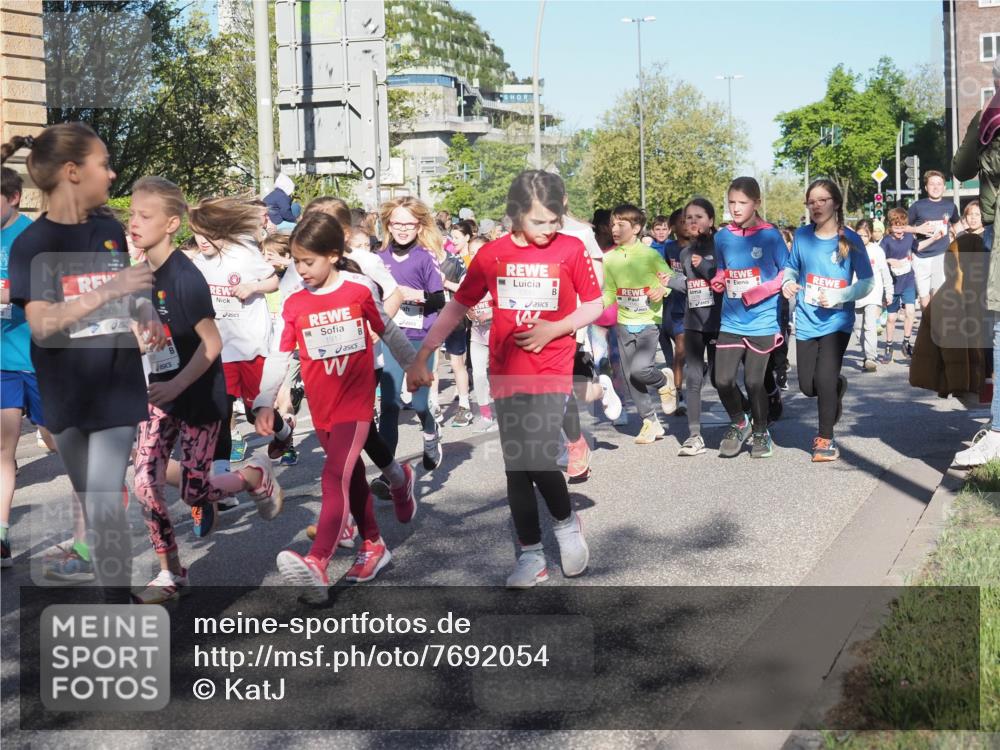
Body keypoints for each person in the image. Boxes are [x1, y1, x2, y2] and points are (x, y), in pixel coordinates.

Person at [408, 170, 602, 588]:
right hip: (506, 367)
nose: (548, 231)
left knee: (536, 458)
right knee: (517, 467)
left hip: (552, 364)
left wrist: (554, 328)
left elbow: (595, 304)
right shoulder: (493, 254)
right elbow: (458, 306)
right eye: (538, 223)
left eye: (555, 222)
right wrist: (424, 353)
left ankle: (566, 527)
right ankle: (532, 555)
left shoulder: (569, 250)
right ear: (515, 215)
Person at [5, 124, 165, 602]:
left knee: (103, 499)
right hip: (65, 389)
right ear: (73, 172)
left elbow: (126, 290)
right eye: (103, 164)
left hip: (116, 383)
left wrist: (144, 311)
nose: (112, 174)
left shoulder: (108, 229)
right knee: (95, 506)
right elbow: (42, 325)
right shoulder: (33, 244)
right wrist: (109, 292)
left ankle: (116, 612)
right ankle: (116, 597)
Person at [128, 177, 283, 603]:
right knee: (144, 482)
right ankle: (171, 573)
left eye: (145, 215)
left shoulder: (185, 277)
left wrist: (176, 382)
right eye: (132, 214)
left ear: (171, 224)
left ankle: (253, 475)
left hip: (198, 397)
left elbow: (211, 346)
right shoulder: (140, 274)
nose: (135, 222)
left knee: (197, 490)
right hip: (159, 394)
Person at [256, 211, 417, 602]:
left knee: (333, 477)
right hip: (322, 406)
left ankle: (317, 560)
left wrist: (414, 365)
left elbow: (387, 329)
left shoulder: (359, 289)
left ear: (332, 255)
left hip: (356, 400)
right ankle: (374, 545)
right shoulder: (294, 304)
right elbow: (279, 356)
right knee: (354, 479)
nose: (301, 269)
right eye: (295, 262)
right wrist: (263, 401)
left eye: (307, 261)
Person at [297, 198, 414, 540]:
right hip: (321, 370)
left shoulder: (364, 262)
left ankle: (342, 522)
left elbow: (394, 294)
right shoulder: (303, 265)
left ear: (343, 234)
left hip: (359, 364)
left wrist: (375, 328)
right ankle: (397, 476)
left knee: (345, 449)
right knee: (362, 441)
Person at [188, 198, 286, 474]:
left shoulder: (245, 253)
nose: (202, 240)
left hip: (250, 343)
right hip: (220, 347)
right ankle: (221, 479)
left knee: (257, 409)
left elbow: (275, 280)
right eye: (196, 232)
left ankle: (284, 431)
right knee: (221, 411)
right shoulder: (197, 260)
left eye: (208, 233)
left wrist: (253, 286)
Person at [782, 179, 873, 462]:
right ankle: (836, 387)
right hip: (807, 320)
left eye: (822, 200)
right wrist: (787, 282)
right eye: (812, 201)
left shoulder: (850, 239)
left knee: (823, 378)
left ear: (835, 203)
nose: (816, 206)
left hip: (837, 323)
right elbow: (791, 267)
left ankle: (825, 440)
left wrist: (839, 296)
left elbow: (868, 283)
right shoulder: (803, 237)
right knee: (809, 387)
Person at [0, 166, 56, 568]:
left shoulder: (33, 237)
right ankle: (1, 536)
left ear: (13, 197)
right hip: (3, 362)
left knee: (56, 441)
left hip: (39, 359)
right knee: (4, 448)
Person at [711, 177, 788, 459]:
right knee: (722, 380)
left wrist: (760, 291)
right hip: (731, 319)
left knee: (755, 382)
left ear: (756, 203)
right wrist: (719, 279)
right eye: (731, 202)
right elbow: (723, 268)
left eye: (742, 203)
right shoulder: (722, 237)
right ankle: (740, 421)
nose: (736, 208)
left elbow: (786, 273)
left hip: (762, 320)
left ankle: (761, 431)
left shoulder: (770, 235)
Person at [951, 62, 1000, 466]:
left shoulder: (991, 119)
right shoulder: (988, 118)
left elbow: (964, 168)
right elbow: (961, 169)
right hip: (992, 230)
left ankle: (998, 434)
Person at [377, 197, 447, 470]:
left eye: (409, 224)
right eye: (397, 223)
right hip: (392, 336)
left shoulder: (424, 256)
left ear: (419, 226)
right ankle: (388, 473)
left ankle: (431, 432)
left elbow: (439, 300)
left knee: (418, 402)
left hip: (420, 336)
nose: (402, 229)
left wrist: (414, 295)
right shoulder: (378, 258)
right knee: (390, 406)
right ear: (388, 225)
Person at [602, 204, 674, 444]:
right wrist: (594, 306)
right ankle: (650, 422)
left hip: (648, 322)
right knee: (631, 376)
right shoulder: (609, 258)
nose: (615, 228)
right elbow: (610, 291)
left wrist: (661, 290)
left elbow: (668, 280)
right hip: (624, 322)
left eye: (621, 224)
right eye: (613, 224)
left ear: (636, 229)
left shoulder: (650, 255)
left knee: (640, 370)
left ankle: (664, 381)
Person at [663, 198, 722, 456]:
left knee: (723, 380)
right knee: (694, 378)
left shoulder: (723, 247)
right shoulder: (685, 253)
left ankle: (745, 416)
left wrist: (707, 266)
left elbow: (724, 280)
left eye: (699, 217)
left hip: (721, 322)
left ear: (711, 220)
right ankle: (694, 436)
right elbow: (690, 286)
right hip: (694, 321)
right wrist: (671, 280)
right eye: (689, 218)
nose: (693, 222)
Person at [904, 171, 960, 308]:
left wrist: (965, 239)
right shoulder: (917, 206)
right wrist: (917, 229)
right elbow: (901, 227)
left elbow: (957, 225)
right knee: (925, 302)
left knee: (937, 295)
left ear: (944, 187)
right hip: (921, 257)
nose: (936, 187)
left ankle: (936, 327)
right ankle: (928, 325)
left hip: (941, 254)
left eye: (939, 184)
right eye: (932, 184)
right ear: (926, 188)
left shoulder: (950, 206)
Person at [441, 219, 475, 427]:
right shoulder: (429, 261)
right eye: (451, 238)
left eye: (457, 238)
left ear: (467, 238)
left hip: (460, 316)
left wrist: (444, 282)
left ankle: (464, 402)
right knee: (434, 363)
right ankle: (434, 404)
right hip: (436, 315)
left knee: (459, 361)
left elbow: (467, 290)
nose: (453, 241)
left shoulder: (461, 261)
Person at [853, 219, 893, 372]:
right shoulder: (850, 249)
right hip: (855, 294)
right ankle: (866, 353)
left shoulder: (877, 251)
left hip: (873, 294)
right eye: (859, 235)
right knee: (858, 327)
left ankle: (871, 357)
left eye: (865, 235)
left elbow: (885, 273)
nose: (862, 238)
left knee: (869, 325)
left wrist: (888, 292)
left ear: (870, 234)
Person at [465, 236, 497, 431]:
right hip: (477, 334)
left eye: (480, 251)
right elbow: (463, 301)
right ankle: (486, 415)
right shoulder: (466, 277)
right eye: (472, 252)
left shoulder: (500, 275)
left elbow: (510, 303)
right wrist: (467, 311)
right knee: (477, 375)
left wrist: (491, 312)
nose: (476, 256)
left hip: (499, 334)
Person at [659, 208, 688, 416]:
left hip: (692, 305)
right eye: (681, 221)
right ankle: (679, 394)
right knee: (677, 355)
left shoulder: (698, 248)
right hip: (671, 303)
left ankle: (682, 392)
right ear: (673, 227)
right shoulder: (668, 248)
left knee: (682, 352)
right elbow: (663, 272)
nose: (686, 225)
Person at [880, 207, 919, 363]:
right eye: (896, 227)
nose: (900, 230)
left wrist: (935, 238)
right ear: (890, 226)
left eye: (902, 227)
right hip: (892, 283)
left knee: (910, 312)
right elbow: (879, 259)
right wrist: (889, 261)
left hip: (908, 278)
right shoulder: (886, 241)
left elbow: (918, 248)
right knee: (891, 318)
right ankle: (888, 346)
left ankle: (906, 342)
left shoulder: (909, 237)